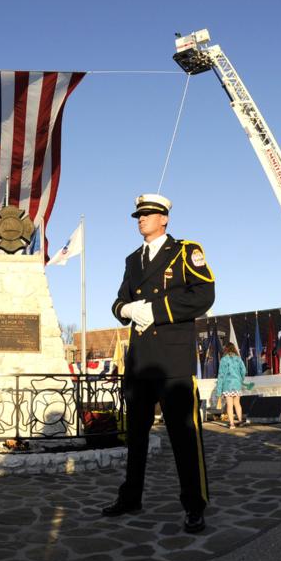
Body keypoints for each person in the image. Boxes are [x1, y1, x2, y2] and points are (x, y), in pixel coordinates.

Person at [102, 194, 215, 534]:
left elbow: (203, 295)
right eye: (138, 215)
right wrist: (125, 310)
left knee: (184, 436)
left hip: (172, 360)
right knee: (135, 436)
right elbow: (119, 300)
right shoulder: (132, 259)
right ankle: (131, 497)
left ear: (164, 218)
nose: (141, 219)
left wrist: (154, 309)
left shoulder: (184, 251)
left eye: (148, 214)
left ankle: (194, 506)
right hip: (140, 361)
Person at [215, 342, 246, 429]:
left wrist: (218, 391)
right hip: (237, 384)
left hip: (227, 385)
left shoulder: (223, 360)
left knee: (229, 405)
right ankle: (240, 421)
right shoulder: (238, 359)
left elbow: (221, 375)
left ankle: (232, 424)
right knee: (237, 403)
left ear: (226, 349)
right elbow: (243, 370)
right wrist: (241, 379)